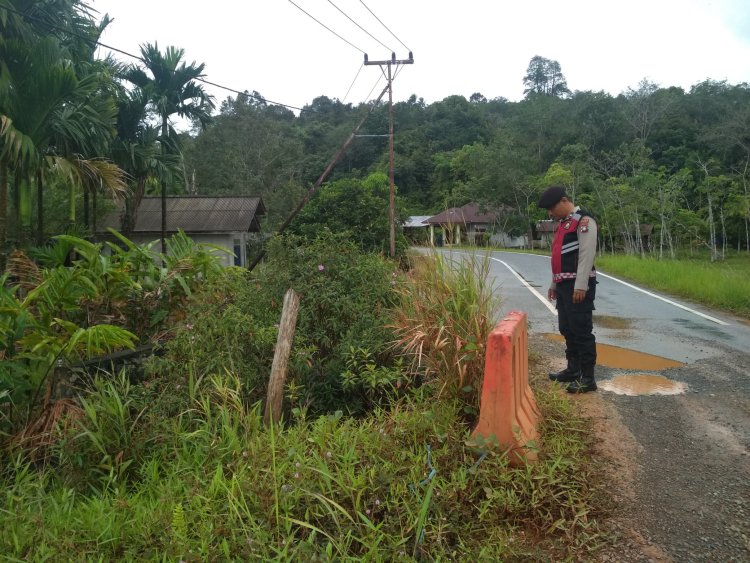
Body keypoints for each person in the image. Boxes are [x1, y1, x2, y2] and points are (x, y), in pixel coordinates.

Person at [537, 185, 598, 393]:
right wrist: (554, 283)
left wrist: (581, 285)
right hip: (564, 286)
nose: (550, 213)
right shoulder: (564, 224)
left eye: (552, 208)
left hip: (578, 286)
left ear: (564, 201)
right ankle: (573, 370)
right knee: (567, 328)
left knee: (582, 330)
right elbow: (558, 258)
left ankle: (588, 378)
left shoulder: (584, 222)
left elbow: (586, 256)